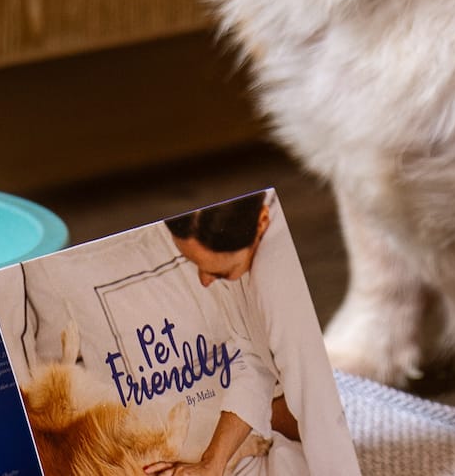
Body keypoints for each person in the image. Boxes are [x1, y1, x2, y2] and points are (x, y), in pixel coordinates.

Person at [144, 191, 356, 476]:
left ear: (262, 223)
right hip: (292, 400)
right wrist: (212, 462)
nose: (204, 280)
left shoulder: (277, 284)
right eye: (195, 264)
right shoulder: (235, 246)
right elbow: (251, 355)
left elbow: (317, 406)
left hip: (322, 410)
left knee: (301, 415)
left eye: (220, 272)